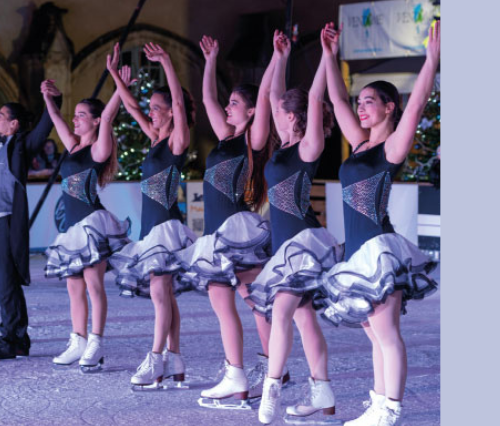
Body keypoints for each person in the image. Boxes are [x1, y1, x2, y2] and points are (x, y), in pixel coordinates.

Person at [319, 22, 440, 426]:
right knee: (372, 333)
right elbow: (336, 100)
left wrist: (432, 60)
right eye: (361, 102)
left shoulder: (390, 147)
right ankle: (378, 404)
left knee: (386, 335)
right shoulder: (360, 144)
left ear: (389, 107)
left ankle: (391, 409)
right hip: (356, 251)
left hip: (378, 249)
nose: (361, 107)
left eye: (370, 102)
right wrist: (329, 55)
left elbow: (419, 101)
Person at [246, 30, 343, 424]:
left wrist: (326, 55)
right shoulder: (282, 145)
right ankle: (323, 393)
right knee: (303, 318)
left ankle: (272, 387)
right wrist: (279, 56)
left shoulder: (308, 148)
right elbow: (270, 94)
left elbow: (317, 100)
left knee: (282, 311)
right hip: (284, 245)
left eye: (279, 109)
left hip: (303, 242)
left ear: (292, 115)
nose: (273, 109)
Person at [180, 34, 278, 409]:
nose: (227, 106)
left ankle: (273, 370)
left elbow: (266, 95)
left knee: (255, 302)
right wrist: (211, 59)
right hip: (216, 234)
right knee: (222, 303)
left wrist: (275, 59)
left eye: (235, 103)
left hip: (238, 231)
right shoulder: (224, 138)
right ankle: (235, 375)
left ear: (252, 112)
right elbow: (206, 99)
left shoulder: (251, 140)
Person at [105, 43, 197, 388]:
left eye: (157, 108)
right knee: (165, 296)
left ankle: (155, 358)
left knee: (160, 295)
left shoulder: (177, 141)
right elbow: (129, 105)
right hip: (152, 229)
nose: (152, 112)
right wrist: (115, 74)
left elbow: (176, 101)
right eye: (151, 109)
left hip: (167, 228)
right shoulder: (155, 138)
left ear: (172, 113)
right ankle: (174, 360)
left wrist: (169, 64)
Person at [40, 65, 132, 372]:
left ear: (94, 121)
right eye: (75, 114)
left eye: (81, 115)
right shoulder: (73, 147)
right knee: (73, 287)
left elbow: (107, 116)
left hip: (92, 224)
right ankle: (77, 340)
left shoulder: (97, 149)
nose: (75, 119)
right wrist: (48, 99)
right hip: (72, 230)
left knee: (94, 285)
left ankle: (96, 342)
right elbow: (55, 119)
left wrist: (120, 85)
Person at [0, 91, 61, 362]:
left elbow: (44, 128)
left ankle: (9, 339)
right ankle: (19, 339)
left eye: (1, 116)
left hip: (8, 220)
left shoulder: (21, 144)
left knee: (6, 282)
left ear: (15, 124)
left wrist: (53, 100)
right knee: (4, 283)